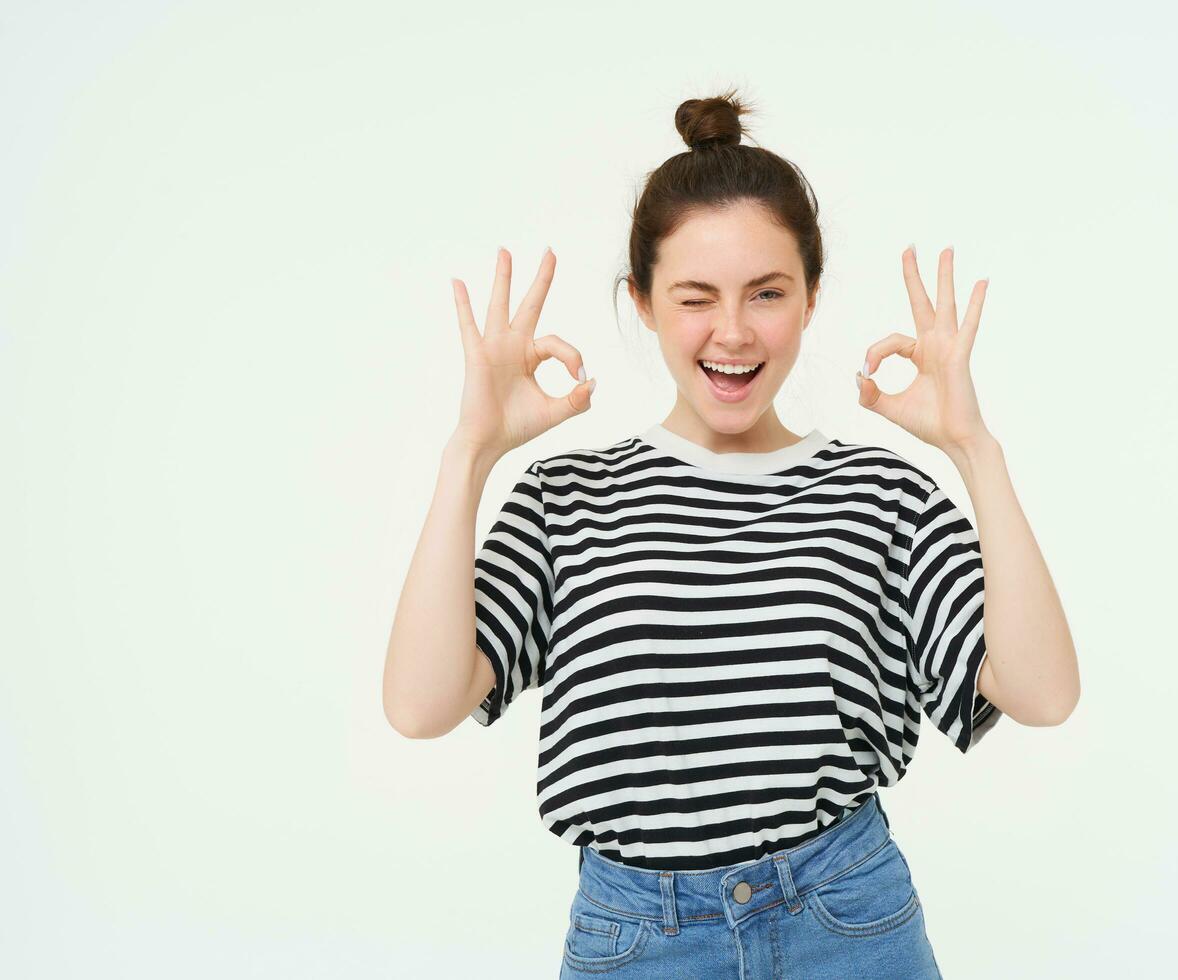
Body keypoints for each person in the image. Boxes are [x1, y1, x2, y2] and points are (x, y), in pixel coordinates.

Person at [382, 88, 1080, 979]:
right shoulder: (568, 496)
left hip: (846, 920)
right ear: (641, 301)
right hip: (637, 940)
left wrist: (975, 452)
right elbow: (419, 705)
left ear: (813, 297)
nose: (734, 332)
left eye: (768, 293)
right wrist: (468, 455)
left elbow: (1043, 693)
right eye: (695, 297)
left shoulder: (880, 493)